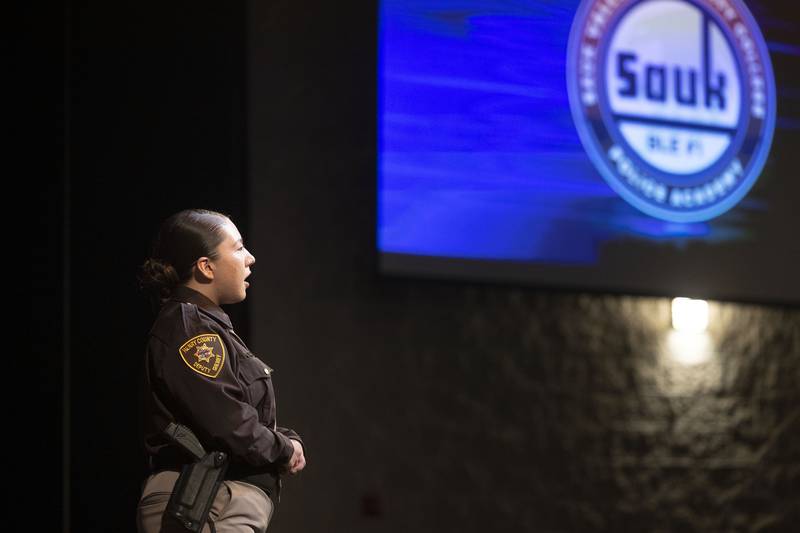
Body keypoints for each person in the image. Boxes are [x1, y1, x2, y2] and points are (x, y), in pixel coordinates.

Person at [136, 208, 306, 533]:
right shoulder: (190, 329)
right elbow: (229, 424)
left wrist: (283, 439)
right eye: (239, 247)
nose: (250, 258)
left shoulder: (206, 327)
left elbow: (229, 415)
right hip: (204, 504)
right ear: (206, 267)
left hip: (217, 502)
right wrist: (285, 449)